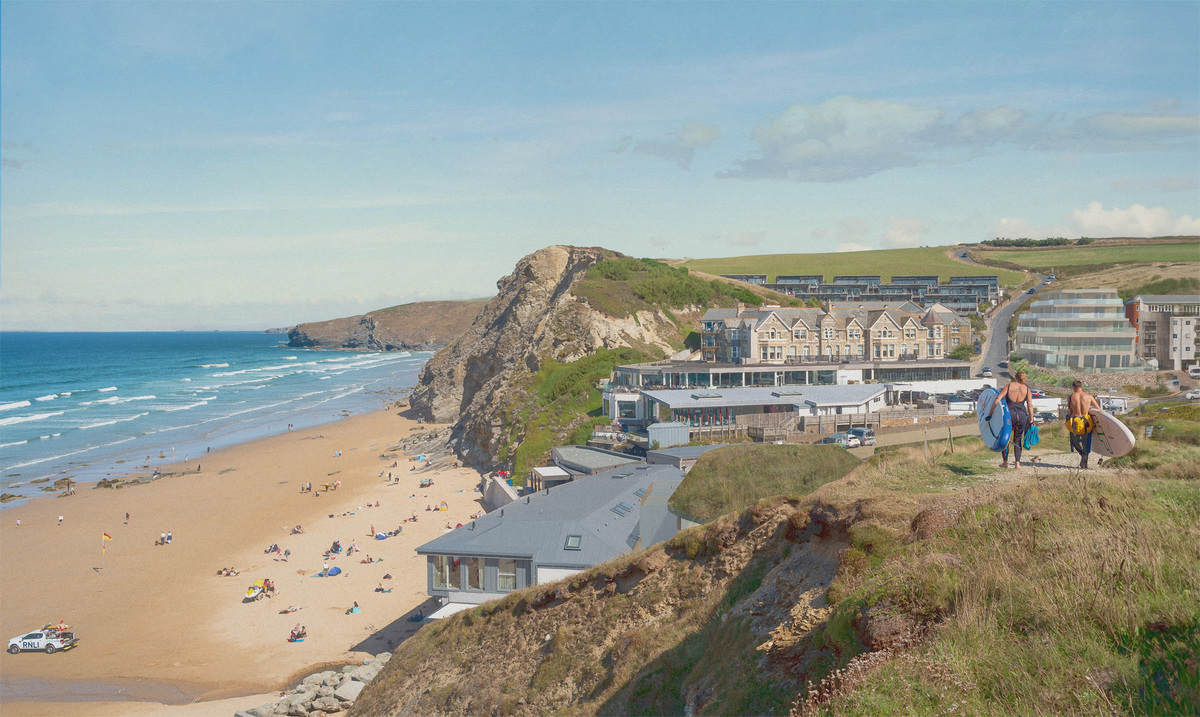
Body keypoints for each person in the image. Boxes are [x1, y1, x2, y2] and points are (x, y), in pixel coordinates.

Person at [987, 371, 1033, 469]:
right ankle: (1017, 463)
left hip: (1010, 414)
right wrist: (1032, 419)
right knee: (1018, 439)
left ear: (1015, 377)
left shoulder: (1009, 386)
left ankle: (1005, 462)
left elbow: (998, 398)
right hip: (1022, 415)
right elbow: (1030, 405)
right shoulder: (1027, 389)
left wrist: (991, 411)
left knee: (1006, 437)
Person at [1068, 380, 1101, 469]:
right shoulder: (1089, 396)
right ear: (1081, 387)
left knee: (1074, 442)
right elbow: (1098, 409)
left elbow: (1070, 411)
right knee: (1086, 443)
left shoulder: (1071, 397)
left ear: (1074, 387)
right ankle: (1085, 463)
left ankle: (1082, 455)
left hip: (1075, 422)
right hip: (1086, 422)